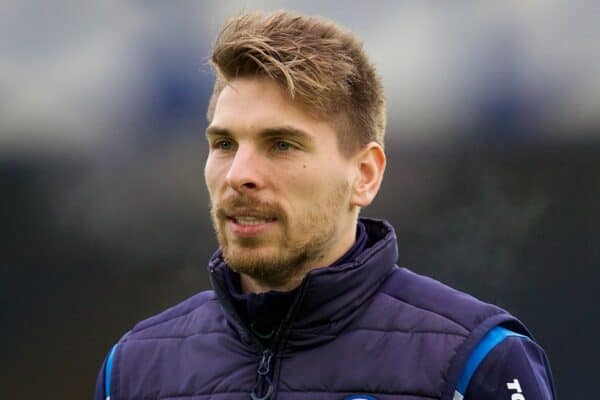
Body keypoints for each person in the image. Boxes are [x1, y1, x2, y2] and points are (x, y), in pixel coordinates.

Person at [94, 10, 556, 400]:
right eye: (224, 144)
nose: (239, 175)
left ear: (365, 174)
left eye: (282, 145)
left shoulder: (477, 361)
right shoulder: (133, 369)